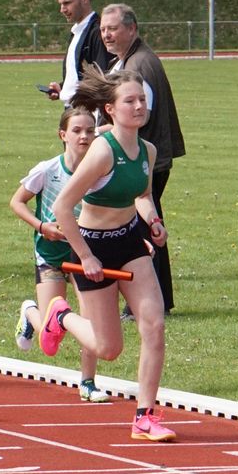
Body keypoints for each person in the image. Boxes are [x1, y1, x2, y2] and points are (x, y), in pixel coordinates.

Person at [49, 64, 173, 440]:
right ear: (110, 109)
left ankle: (144, 417)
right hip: (94, 244)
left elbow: (143, 196)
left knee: (154, 324)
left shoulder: (147, 150)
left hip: (130, 241)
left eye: (142, 100)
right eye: (129, 101)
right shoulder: (102, 151)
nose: (138, 106)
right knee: (108, 349)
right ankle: (61, 315)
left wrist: (153, 221)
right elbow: (61, 207)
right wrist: (86, 256)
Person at [10, 106, 111, 402]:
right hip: (50, 255)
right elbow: (16, 202)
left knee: (90, 322)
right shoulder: (48, 170)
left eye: (90, 131)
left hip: (84, 255)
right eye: (77, 131)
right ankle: (30, 312)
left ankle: (88, 382)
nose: (84, 136)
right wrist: (42, 227)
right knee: (49, 338)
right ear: (62, 135)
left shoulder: (100, 173)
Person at [98, 3, 186, 312]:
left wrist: (98, 133)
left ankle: (147, 303)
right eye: (103, 29)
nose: (106, 35)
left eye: (113, 28)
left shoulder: (138, 65)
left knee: (142, 230)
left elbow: (141, 115)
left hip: (143, 159)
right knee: (149, 228)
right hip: (144, 156)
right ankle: (156, 300)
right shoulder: (132, 59)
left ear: (132, 29)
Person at [38, 0, 112, 103]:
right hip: (74, 108)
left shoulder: (98, 32)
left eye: (67, 3)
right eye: (61, 4)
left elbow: (102, 79)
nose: (62, 9)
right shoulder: (77, 31)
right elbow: (78, 76)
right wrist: (63, 87)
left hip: (86, 109)